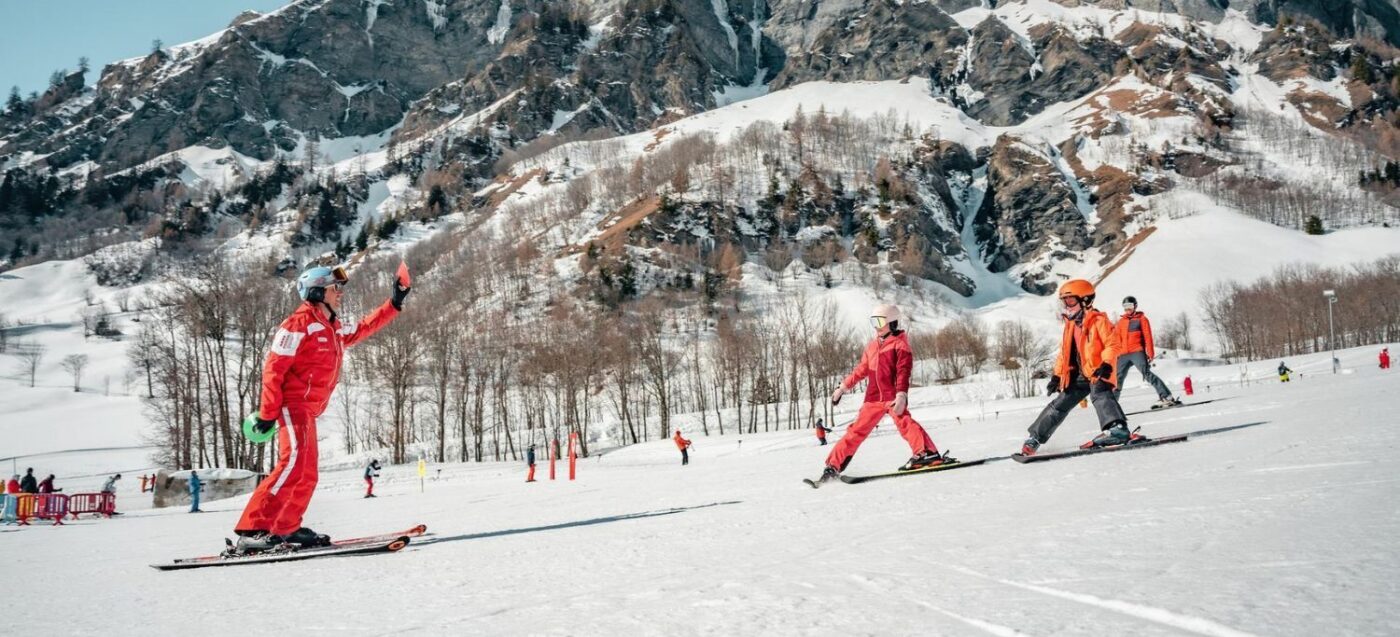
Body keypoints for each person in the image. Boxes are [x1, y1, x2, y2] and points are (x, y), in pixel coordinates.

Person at [233, 263, 410, 553]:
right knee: (292, 465)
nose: (339, 293)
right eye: (334, 288)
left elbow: (365, 326)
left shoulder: (333, 327)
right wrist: (267, 413)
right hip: (291, 405)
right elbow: (273, 369)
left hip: (308, 411)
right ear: (317, 291)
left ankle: (287, 527)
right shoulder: (296, 325)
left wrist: (394, 303)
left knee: (307, 472)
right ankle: (253, 529)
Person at [814, 303, 948, 484]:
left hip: (892, 396)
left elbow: (903, 371)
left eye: (879, 321)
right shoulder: (871, 347)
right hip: (873, 398)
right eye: (873, 322)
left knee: (905, 423)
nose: (876, 326)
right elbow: (861, 370)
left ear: (891, 322)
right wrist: (843, 387)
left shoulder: (900, 345)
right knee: (854, 432)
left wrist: (901, 395)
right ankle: (833, 466)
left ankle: (927, 453)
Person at [1022, 280, 1134, 456]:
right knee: (1059, 403)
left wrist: (1105, 364)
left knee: (1099, 393)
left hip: (1098, 370)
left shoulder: (1099, 321)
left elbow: (1113, 344)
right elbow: (1064, 354)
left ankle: (1117, 429)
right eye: (1064, 301)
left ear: (1086, 300)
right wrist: (1057, 376)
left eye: (1071, 300)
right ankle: (1034, 438)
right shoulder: (1070, 325)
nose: (1067, 305)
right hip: (1080, 375)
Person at [1113, 296, 1180, 408]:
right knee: (1117, 378)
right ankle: (1112, 405)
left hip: (1137, 351)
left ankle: (1166, 396)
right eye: (1125, 307)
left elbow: (1148, 337)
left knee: (1146, 374)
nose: (1127, 309)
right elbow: (1116, 339)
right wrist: (1115, 355)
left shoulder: (1142, 319)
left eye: (1129, 306)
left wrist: (1150, 353)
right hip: (1123, 354)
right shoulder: (1121, 322)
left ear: (1135, 306)